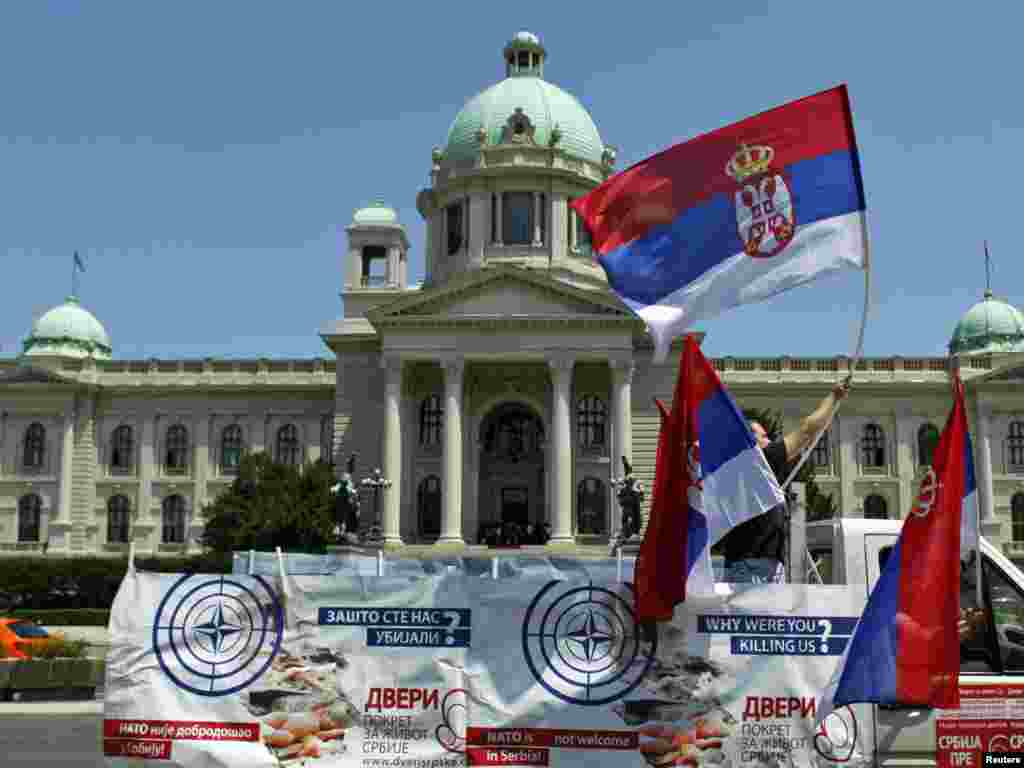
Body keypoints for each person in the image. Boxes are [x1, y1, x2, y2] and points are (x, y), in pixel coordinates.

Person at [718, 380, 850, 584]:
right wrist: (833, 397)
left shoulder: (734, 471)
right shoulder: (758, 461)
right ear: (750, 441)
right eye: (764, 437)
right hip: (755, 568)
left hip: (745, 565)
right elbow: (807, 430)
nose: (770, 442)